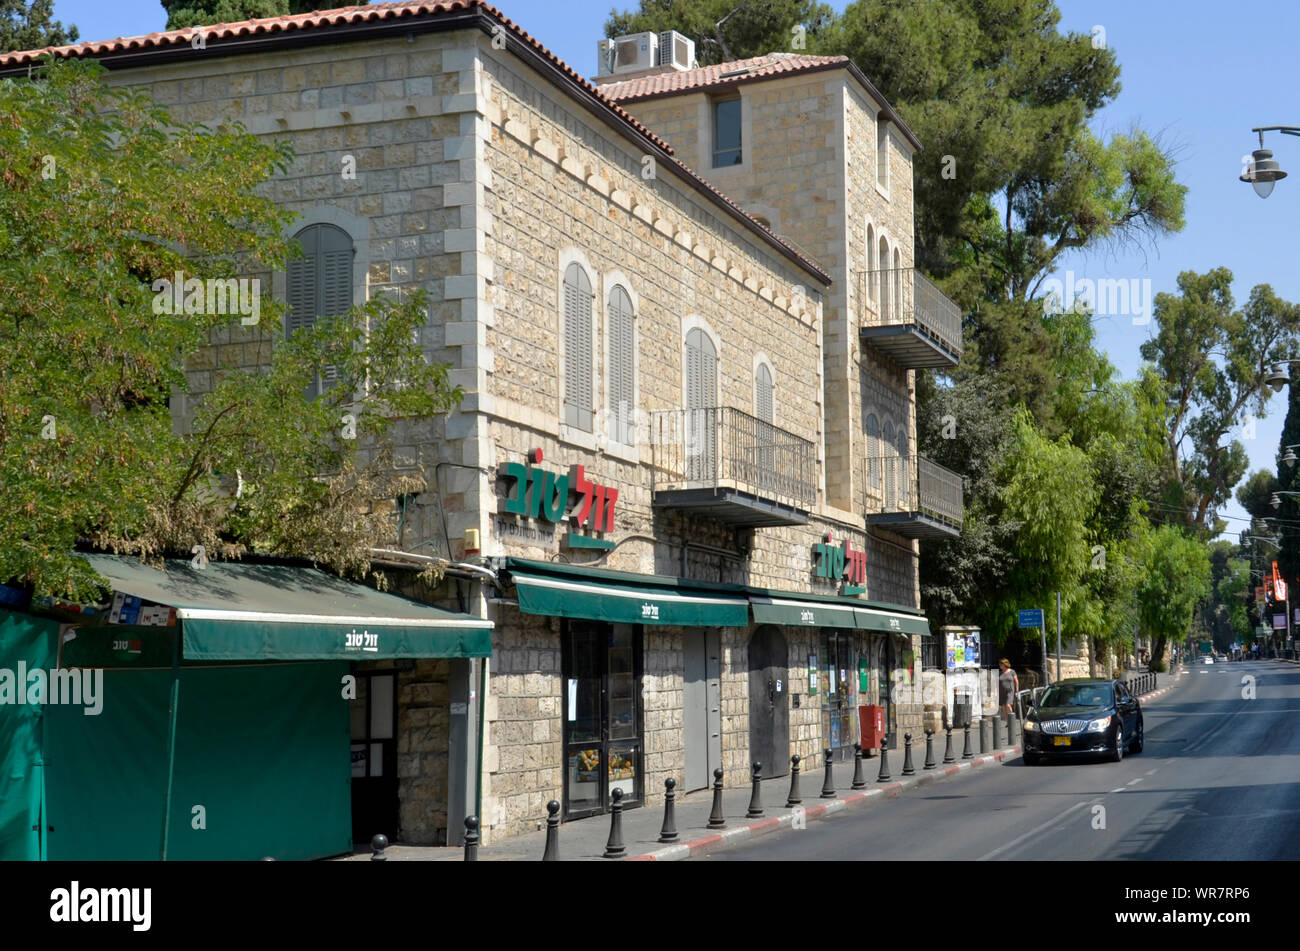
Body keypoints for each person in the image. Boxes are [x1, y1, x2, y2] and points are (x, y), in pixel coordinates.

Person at [998, 658, 1018, 724]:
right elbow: (997, 682)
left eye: (1001, 664)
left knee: (1008, 705)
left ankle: (1012, 720)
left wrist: (1017, 690)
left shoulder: (1012, 671)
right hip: (1002, 691)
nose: (1000, 666)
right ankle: (1007, 722)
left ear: (1004, 664)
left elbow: (1016, 681)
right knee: (1004, 706)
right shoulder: (1000, 673)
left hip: (1010, 691)